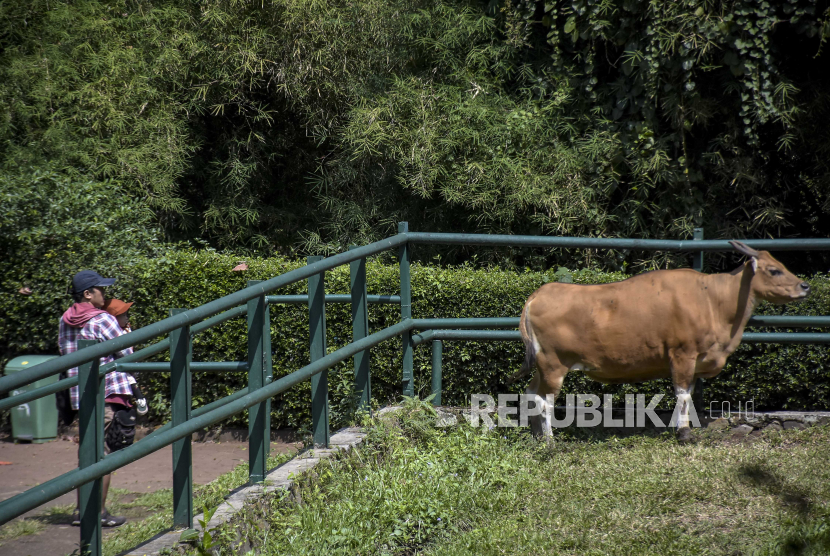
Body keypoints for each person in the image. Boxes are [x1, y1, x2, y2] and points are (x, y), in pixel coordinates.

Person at [59, 270, 131, 528]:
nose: (106, 294)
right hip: (106, 393)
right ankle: (97, 512)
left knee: (88, 452)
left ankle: (81, 510)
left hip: (81, 395)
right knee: (103, 456)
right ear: (88, 294)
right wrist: (127, 333)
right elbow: (127, 352)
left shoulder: (65, 320)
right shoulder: (102, 319)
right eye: (102, 289)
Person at [103, 298, 148, 416]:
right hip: (118, 366)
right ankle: (139, 397)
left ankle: (138, 397)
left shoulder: (126, 328)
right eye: (123, 315)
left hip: (127, 365)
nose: (127, 317)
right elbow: (124, 353)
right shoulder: (113, 331)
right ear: (113, 319)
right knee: (128, 376)